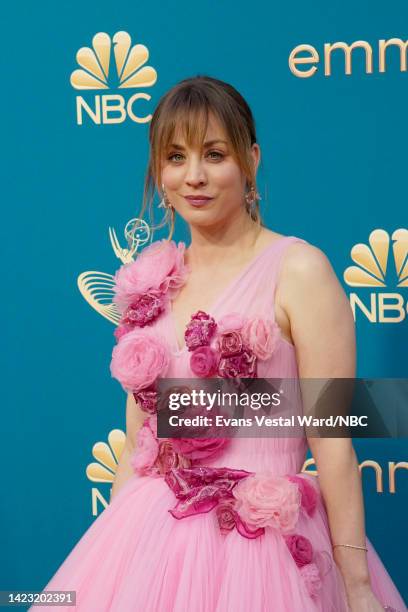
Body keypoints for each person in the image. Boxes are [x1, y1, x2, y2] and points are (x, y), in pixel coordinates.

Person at [30, 76, 406, 612]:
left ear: (250, 160)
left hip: (262, 548)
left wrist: (358, 585)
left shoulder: (298, 270)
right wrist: (114, 555)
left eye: (215, 154)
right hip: (151, 539)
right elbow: (138, 448)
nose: (195, 177)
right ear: (158, 173)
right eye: (176, 157)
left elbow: (331, 441)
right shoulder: (152, 282)